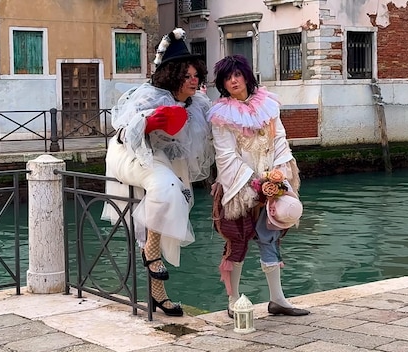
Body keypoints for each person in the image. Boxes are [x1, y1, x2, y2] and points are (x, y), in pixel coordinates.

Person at [101, 28, 213, 317]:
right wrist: (150, 122)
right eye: (187, 76)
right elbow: (124, 132)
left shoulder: (197, 104)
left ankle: (158, 296)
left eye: (196, 75)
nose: (193, 81)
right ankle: (150, 253)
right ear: (173, 75)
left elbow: (203, 137)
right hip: (129, 153)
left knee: (177, 200)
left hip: (163, 156)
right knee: (165, 190)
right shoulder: (149, 96)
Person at [208, 55, 310, 317]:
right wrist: (253, 182)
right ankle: (233, 301)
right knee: (237, 241)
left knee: (270, 237)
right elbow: (226, 156)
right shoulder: (221, 116)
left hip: (272, 183)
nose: (233, 80)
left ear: (246, 76)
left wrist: (277, 177)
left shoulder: (268, 105)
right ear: (222, 83)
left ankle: (277, 300)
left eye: (237, 74)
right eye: (227, 77)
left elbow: (279, 142)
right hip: (238, 187)